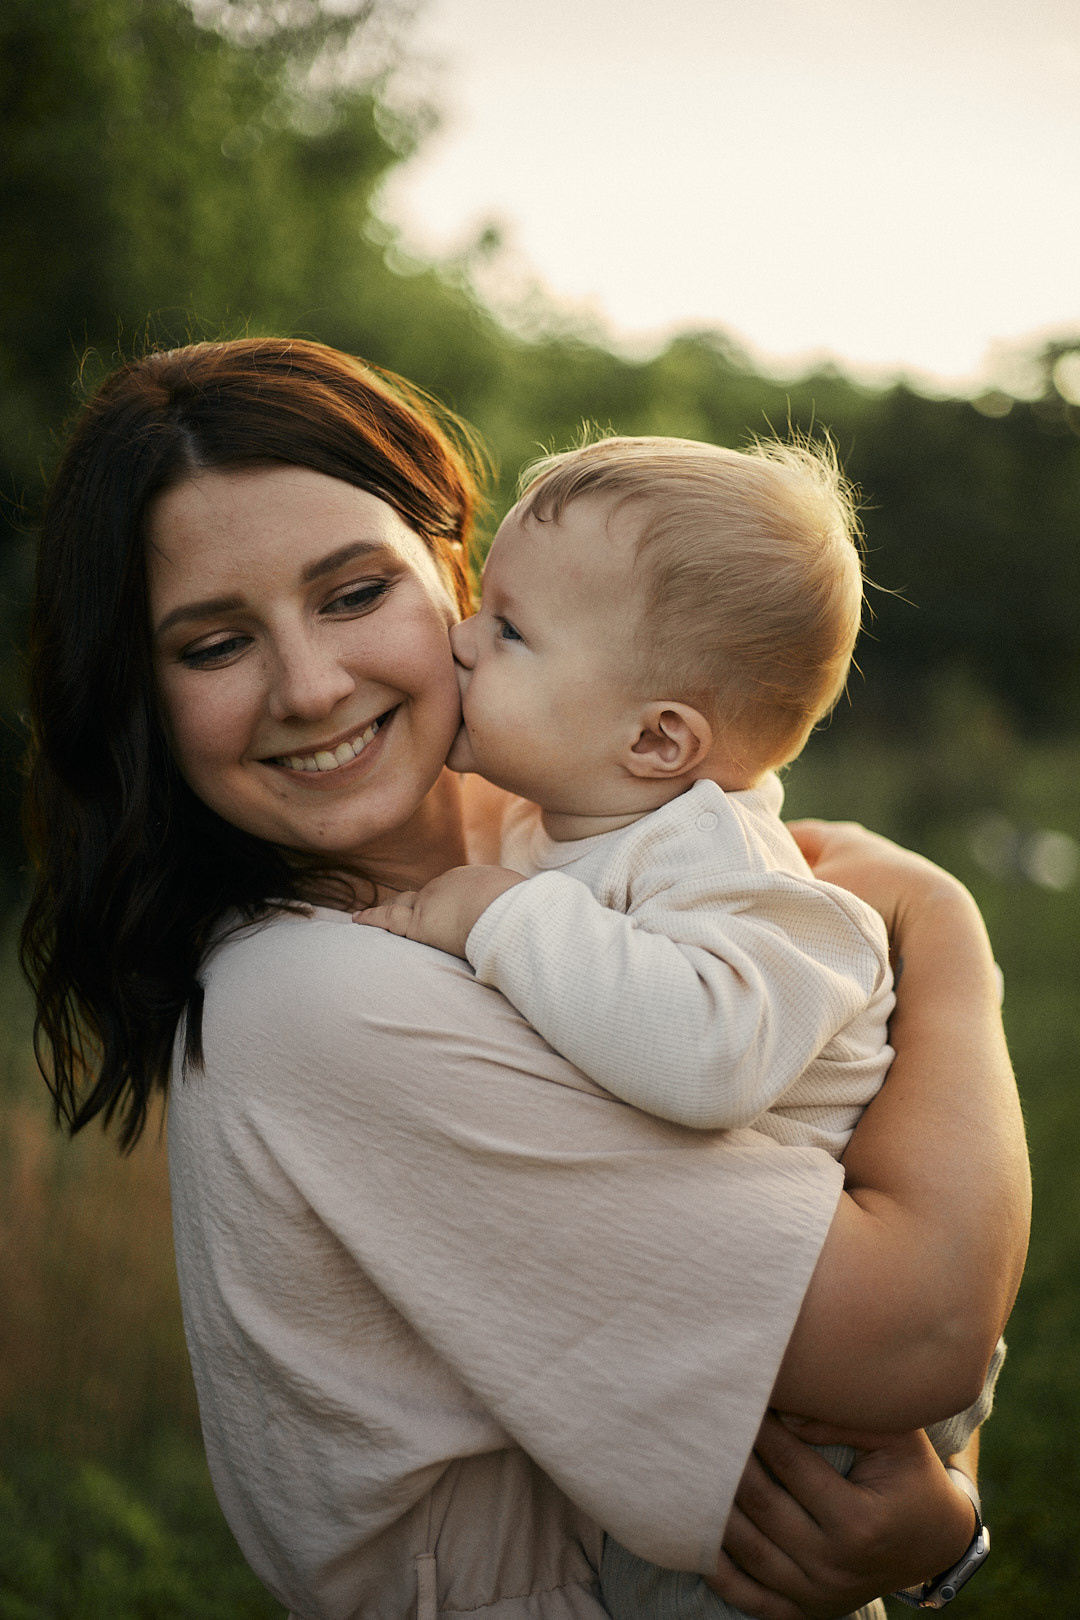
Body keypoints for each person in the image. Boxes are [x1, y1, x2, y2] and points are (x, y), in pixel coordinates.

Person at [20, 337, 1029, 1620]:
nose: (312, 684)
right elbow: (909, 1337)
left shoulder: (568, 842)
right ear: (140, 699)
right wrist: (946, 933)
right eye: (214, 644)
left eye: (350, 593)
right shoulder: (311, 1002)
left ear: (457, 574)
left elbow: (836, 1181)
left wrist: (934, 1533)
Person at [354, 435, 1005, 1618]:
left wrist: (501, 918)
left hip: (809, 1418)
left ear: (657, 740)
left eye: (506, 629)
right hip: (728, 1356)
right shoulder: (578, 819)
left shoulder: (722, 866)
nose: (457, 638)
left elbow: (707, 1059)